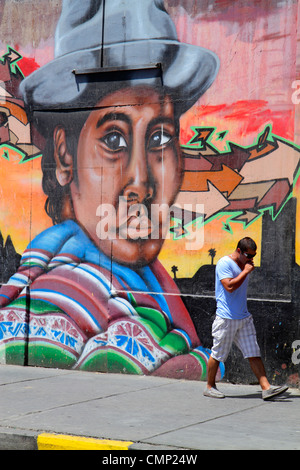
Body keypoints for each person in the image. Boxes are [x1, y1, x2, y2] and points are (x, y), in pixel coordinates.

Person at [0, 0, 225, 380]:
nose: (141, 182)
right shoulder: (59, 304)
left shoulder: (148, 288)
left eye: (160, 137)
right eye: (114, 140)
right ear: (64, 156)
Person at [204, 237, 289, 400]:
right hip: (226, 319)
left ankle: (266, 388)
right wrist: (245, 271)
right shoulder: (224, 263)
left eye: (253, 256)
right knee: (217, 354)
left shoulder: (244, 265)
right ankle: (209, 386)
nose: (251, 259)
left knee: (253, 353)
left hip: (243, 318)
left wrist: (245, 268)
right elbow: (229, 287)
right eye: (248, 255)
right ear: (238, 251)